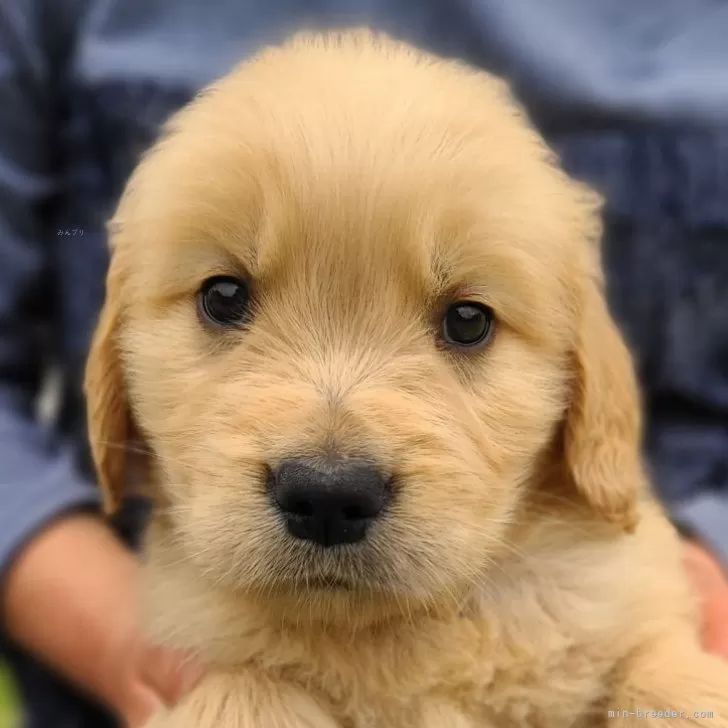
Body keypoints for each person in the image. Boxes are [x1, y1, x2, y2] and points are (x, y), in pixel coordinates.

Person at [1, 1, 727, 726]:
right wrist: (148, 658)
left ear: (583, 379)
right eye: (225, 301)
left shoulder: (610, 593)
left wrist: (664, 671)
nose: (329, 466)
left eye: (466, 323)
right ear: (114, 349)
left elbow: (653, 636)